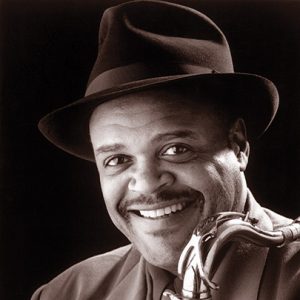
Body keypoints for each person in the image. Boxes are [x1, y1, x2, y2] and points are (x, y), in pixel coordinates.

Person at [31, 1, 300, 299]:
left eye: (175, 149)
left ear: (237, 146)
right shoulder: (66, 293)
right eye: (117, 159)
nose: (146, 183)